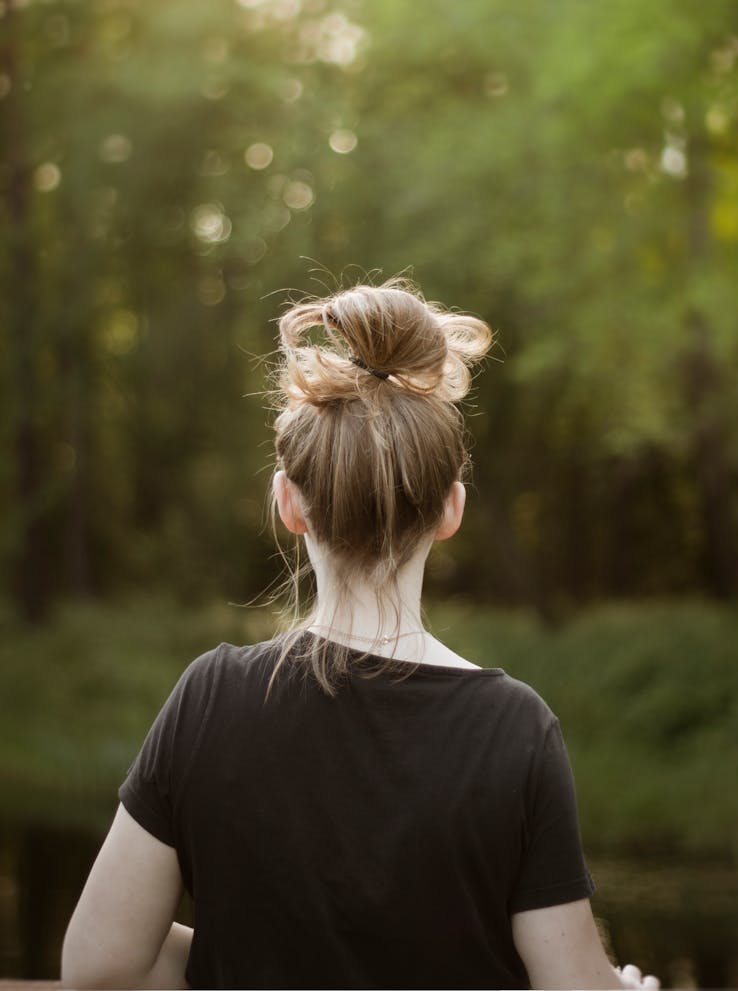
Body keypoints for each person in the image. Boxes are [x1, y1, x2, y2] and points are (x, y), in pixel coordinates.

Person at [61, 280, 659, 990]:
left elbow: (99, 966)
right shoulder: (515, 729)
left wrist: (242, 951)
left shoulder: (210, 696)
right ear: (450, 509)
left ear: (288, 503)